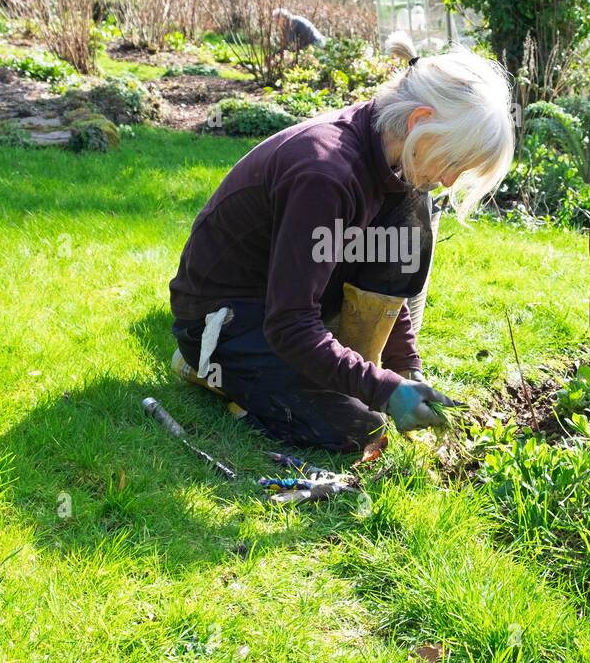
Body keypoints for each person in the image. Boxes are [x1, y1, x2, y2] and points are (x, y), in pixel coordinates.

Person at [168, 31, 515, 452]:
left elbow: (383, 280)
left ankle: (275, 378)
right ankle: (205, 367)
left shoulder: (394, 159)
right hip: (224, 318)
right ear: (419, 120)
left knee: (410, 217)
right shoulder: (325, 174)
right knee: (358, 429)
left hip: (285, 299)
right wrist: (383, 392)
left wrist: (407, 370)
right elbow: (290, 323)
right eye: (453, 162)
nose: (447, 181)